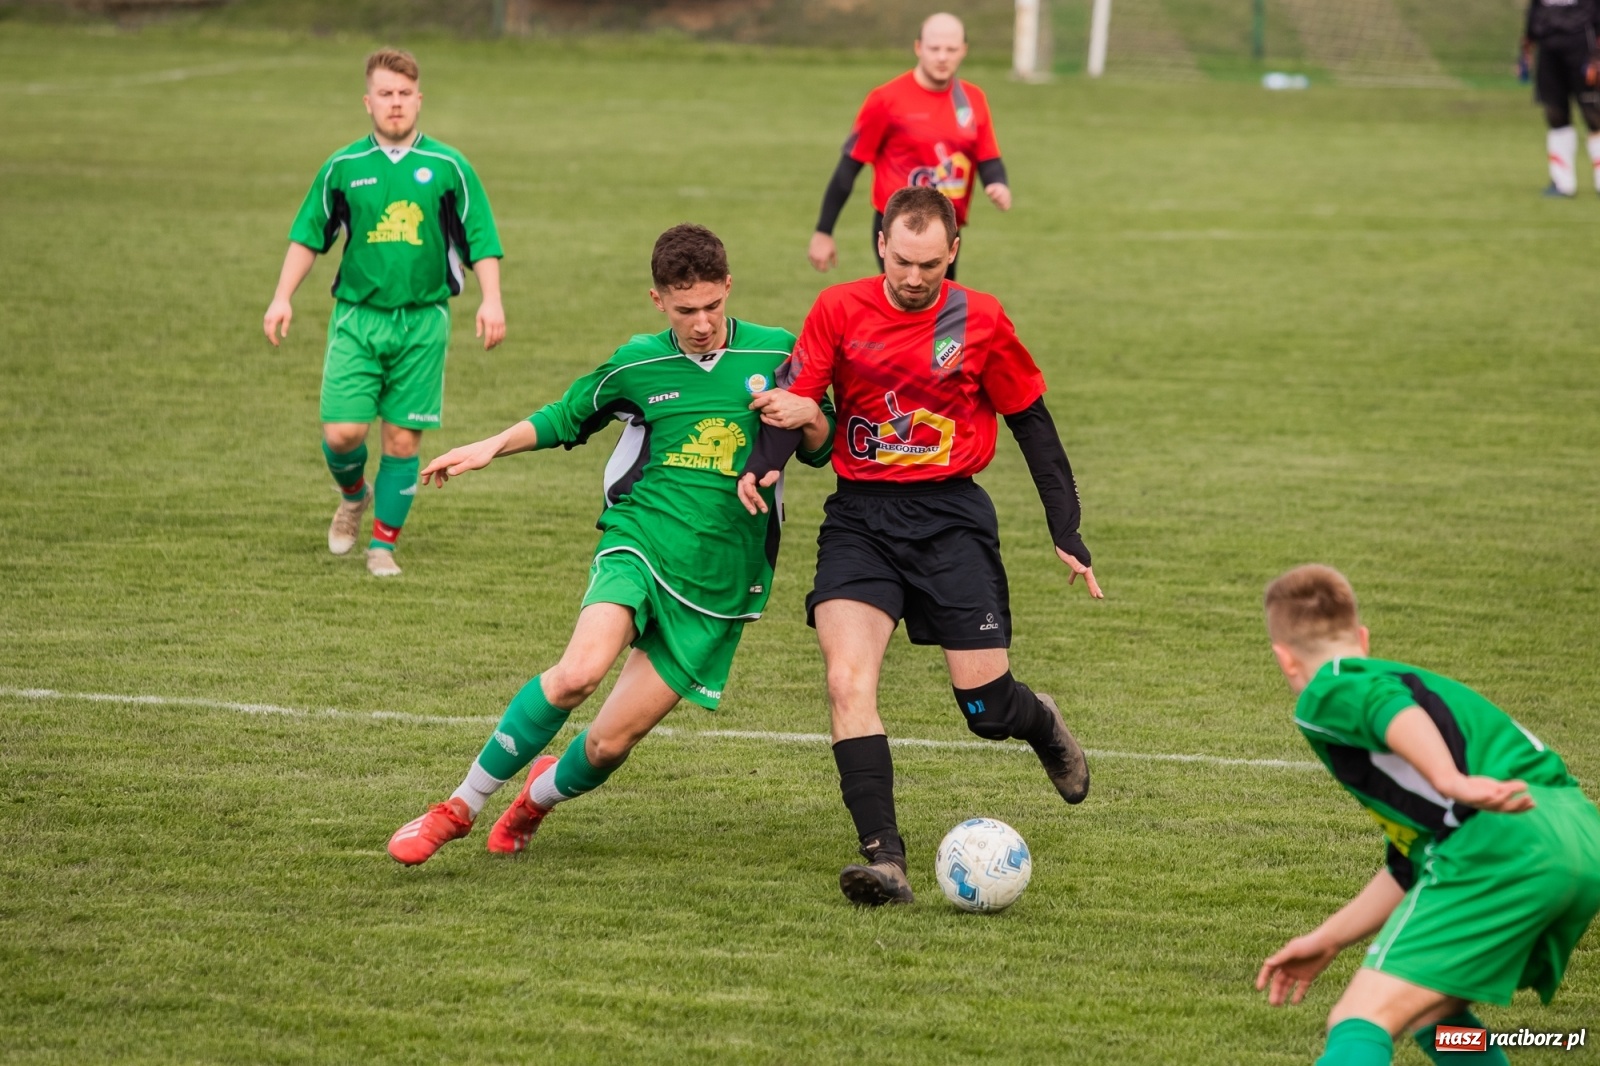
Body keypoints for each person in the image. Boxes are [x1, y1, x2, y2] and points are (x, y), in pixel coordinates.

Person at [386, 224, 834, 865]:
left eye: (712, 305)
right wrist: (490, 446)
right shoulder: (637, 362)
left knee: (607, 745)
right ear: (658, 300)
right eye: (684, 310)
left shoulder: (777, 352)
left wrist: (811, 416)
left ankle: (535, 800)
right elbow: (567, 415)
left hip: (721, 579)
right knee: (577, 674)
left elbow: (820, 448)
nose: (701, 323)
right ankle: (458, 807)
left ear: (729, 287)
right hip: (640, 541)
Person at [741, 186, 1101, 907]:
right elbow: (796, 399)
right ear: (881, 243)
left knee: (987, 710)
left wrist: (1065, 528)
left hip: (950, 519)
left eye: (930, 265)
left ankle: (1039, 720)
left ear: (953, 252)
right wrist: (766, 461)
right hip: (860, 521)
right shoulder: (838, 308)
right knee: (847, 683)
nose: (913, 277)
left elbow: (1031, 420)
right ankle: (887, 860)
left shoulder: (981, 319)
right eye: (902, 261)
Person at [1255, 564, 1600, 1066]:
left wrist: (1449, 779)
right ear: (1363, 638)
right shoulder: (1415, 685)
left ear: (1284, 658)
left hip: (1503, 841)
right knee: (1436, 1019)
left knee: (1361, 1017)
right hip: (1577, 833)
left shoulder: (1331, 688)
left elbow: (1382, 705)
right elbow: (1408, 865)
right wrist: (1328, 939)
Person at [262, 48, 505, 577]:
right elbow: (309, 235)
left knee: (401, 439)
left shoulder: (449, 167)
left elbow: (480, 237)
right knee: (342, 434)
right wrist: (282, 296)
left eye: (404, 93)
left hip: (424, 321)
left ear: (419, 99)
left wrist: (492, 299)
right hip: (358, 318)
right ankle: (354, 495)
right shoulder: (344, 167)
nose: (395, 103)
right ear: (367, 102)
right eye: (385, 93)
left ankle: (382, 547)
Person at [806, 11, 1010, 280]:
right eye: (934, 48)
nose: (942, 57)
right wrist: (824, 231)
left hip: (946, 226)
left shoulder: (973, 99)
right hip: (897, 226)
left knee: (942, 303)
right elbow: (848, 168)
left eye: (951, 49)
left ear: (964, 50)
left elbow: (988, 157)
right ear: (918, 48)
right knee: (912, 299)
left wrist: (998, 183)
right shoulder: (886, 100)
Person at [1521, 0, 1600, 197]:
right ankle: (1562, 183)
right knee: (1555, 113)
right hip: (1548, 45)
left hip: (1583, 44)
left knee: (1593, 115)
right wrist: (1527, 46)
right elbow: (1535, 9)